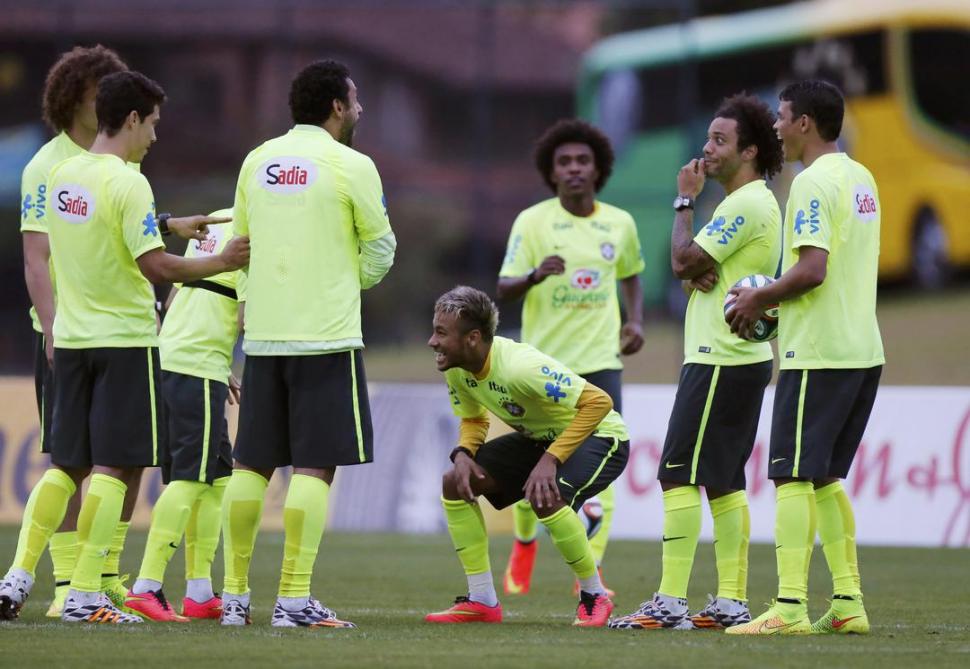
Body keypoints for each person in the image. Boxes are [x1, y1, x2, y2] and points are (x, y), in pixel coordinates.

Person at [4, 70, 250, 625]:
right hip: (123, 342)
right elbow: (155, 266)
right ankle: (85, 594)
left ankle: (17, 576)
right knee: (116, 466)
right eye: (153, 124)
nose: (155, 137)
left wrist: (164, 226)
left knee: (66, 465)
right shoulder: (129, 181)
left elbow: (85, 239)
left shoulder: (63, 174)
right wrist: (220, 261)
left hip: (70, 339)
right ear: (132, 118)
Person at [220, 59, 395, 629]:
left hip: (264, 337)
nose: (361, 108)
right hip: (326, 337)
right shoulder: (352, 164)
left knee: (250, 466)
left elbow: (238, 246)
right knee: (314, 467)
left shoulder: (257, 159)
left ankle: (233, 598)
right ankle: (293, 600)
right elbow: (381, 248)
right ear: (338, 106)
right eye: (356, 98)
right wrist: (345, 278)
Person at [609, 93, 783, 631]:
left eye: (719, 140)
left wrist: (684, 201)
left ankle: (669, 602)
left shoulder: (742, 204)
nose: (706, 149)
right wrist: (694, 270)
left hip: (718, 360)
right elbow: (696, 270)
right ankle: (731, 602)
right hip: (743, 359)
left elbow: (683, 260)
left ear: (749, 151)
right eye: (707, 138)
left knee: (677, 474)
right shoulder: (752, 203)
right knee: (725, 481)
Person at [725, 80, 883, 635]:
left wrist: (759, 296)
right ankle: (848, 603)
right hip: (862, 350)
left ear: (805, 123)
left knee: (791, 475)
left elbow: (813, 269)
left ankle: (789, 606)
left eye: (781, 115)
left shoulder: (812, 183)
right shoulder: (861, 177)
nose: (775, 125)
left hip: (817, 353)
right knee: (826, 478)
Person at [496, 119, 644, 596]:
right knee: (532, 465)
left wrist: (635, 321)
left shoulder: (620, 223)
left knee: (605, 466)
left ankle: (592, 574)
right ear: (551, 171)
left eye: (583, 160)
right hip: (542, 368)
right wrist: (535, 276)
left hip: (601, 364)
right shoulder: (532, 221)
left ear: (598, 169)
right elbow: (503, 288)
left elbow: (632, 274)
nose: (574, 168)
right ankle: (524, 544)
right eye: (565, 162)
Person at [424, 286, 630, 627]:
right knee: (454, 483)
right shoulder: (456, 368)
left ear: (472, 338)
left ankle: (594, 596)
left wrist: (550, 460)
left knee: (546, 495)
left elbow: (599, 402)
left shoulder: (521, 368)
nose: (432, 341)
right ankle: (482, 600)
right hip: (541, 440)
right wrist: (463, 453)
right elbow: (474, 419)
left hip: (601, 435)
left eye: (441, 333)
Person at [124, 207, 243, 622]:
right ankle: (146, 586)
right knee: (191, 477)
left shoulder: (220, 217)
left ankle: (199, 593)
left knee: (217, 478)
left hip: (178, 355)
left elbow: (179, 290)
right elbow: (248, 314)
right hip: (198, 364)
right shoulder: (260, 227)